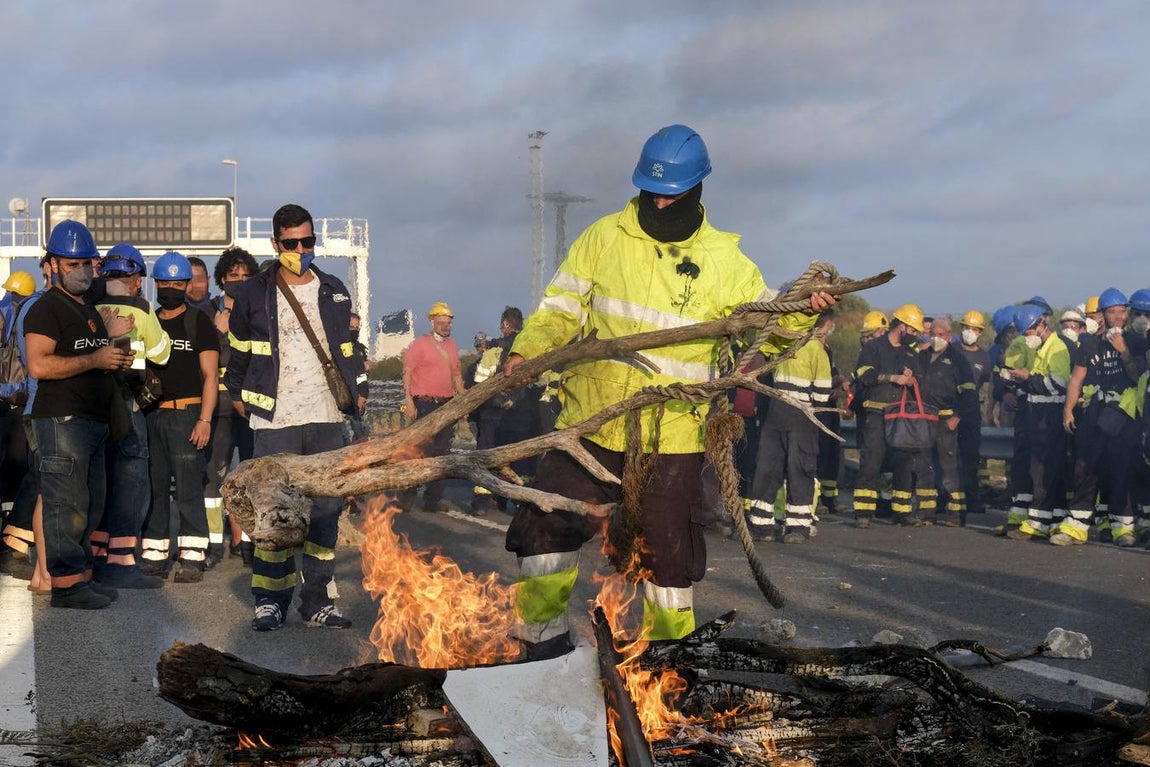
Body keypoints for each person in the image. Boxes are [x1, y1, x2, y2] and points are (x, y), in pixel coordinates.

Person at [502, 125, 835, 655]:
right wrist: (525, 352)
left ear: (698, 189)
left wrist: (801, 313)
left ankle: (670, 665)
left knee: (670, 558)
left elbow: (765, 334)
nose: (658, 202)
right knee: (545, 527)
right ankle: (537, 644)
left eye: (670, 194)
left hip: (674, 437)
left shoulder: (727, 264)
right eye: (650, 191)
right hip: (592, 421)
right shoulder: (602, 238)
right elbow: (559, 313)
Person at [225, 203, 368, 631]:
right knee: (276, 516)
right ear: (275, 243)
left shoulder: (334, 289)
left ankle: (317, 600)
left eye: (308, 241)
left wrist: (357, 392)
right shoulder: (251, 293)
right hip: (275, 421)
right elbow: (238, 359)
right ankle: (270, 600)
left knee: (325, 514)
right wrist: (244, 403)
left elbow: (348, 351)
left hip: (326, 417)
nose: (301, 249)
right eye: (292, 243)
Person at [23, 220, 135, 609]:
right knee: (65, 505)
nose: (81, 269)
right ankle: (66, 586)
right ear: (52, 264)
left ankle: (82, 575)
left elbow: (90, 357)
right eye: (71, 263)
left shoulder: (85, 307)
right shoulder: (45, 309)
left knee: (88, 503)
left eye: (85, 262)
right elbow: (39, 365)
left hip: (91, 420)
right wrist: (95, 357)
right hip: (62, 420)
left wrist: (114, 359)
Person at [92, 243, 171, 589]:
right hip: (127, 399)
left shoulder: (89, 305)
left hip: (93, 400)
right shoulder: (139, 307)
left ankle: (95, 553)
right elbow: (161, 353)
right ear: (136, 279)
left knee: (100, 476)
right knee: (132, 474)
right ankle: (122, 561)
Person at [138, 252, 220, 583]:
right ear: (154, 284)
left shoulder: (199, 322)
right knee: (154, 486)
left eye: (177, 282)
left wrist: (204, 419)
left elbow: (210, 376)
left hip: (187, 414)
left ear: (187, 284)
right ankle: (155, 550)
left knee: (188, 486)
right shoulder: (149, 320)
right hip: (151, 416)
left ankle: (192, 553)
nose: (170, 288)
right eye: (164, 282)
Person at [1060, 288, 1146, 547]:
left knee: (1122, 471)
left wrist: (1124, 351)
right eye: (1112, 312)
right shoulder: (1089, 343)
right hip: (1094, 415)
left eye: (1122, 311)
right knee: (1085, 470)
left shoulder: (1136, 341)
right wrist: (1068, 409)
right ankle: (1076, 527)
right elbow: (1077, 378)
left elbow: (1140, 376)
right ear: (1103, 315)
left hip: (1124, 418)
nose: (1118, 316)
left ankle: (1123, 529)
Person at [745, 311, 834, 543]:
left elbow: (822, 395)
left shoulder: (816, 349)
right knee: (767, 468)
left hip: (801, 419)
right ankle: (761, 524)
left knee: (800, 470)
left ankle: (798, 527)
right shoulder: (780, 340)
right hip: (776, 416)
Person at [203, 246, 259, 568]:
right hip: (219, 408)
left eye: (245, 276)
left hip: (250, 408)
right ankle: (213, 544)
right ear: (221, 279)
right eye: (232, 275)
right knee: (214, 476)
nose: (238, 280)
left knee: (251, 475)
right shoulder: (208, 311)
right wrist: (217, 333)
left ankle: (249, 542)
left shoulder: (257, 312)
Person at [851, 304, 924, 528]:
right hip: (875, 412)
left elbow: (920, 380)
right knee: (871, 462)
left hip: (900, 416)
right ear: (902, 326)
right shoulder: (873, 347)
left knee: (903, 463)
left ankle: (902, 513)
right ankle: (864, 513)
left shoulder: (910, 353)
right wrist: (892, 378)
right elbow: (865, 375)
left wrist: (912, 379)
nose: (915, 335)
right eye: (913, 330)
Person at [1007, 305, 1072, 542]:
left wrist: (1028, 378)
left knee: (1042, 471)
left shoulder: (1057, 348)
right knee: (1045, 470)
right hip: (1039, 415)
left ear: (1040, 325)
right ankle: (1050, 519)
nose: (1027, 337)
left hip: (1050, 416)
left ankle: (1039, 522)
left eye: (1028, 332)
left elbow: (1058, 384)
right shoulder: (1042, 348)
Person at [401, 302, 464, 513]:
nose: (446, 326)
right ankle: (408, 496)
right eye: (442, 323)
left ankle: (433, 500)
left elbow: (457, 375)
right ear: (432, 322)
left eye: (448, 323)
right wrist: (408, 400)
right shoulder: (419, 345)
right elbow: (408, 372)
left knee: (441, 453)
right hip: (424, 404)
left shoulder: (453, 346)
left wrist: (464, 401)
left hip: (446, 404)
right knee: (419, 451)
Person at [919, 317, 973, 525]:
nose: (935, 338)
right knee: (925, 466)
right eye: (932, 334)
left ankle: (956, 513)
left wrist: (956, 417)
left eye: (940, 335)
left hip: (946, 419)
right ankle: (927, 512)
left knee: (949, 467)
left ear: (949, 336)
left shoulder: (957, 360)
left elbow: (968, 392)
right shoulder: (922, 357)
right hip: (924, 420)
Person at [955, 311, 991, 514]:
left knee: (970, 457)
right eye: (966, 328)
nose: (969, 332)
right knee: (949, 456)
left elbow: (986, 385)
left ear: (980, 332)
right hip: (950, 409)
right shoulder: (952, 351)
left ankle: (971, 498)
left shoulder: (983, 357)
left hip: (972, 412)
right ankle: (948, 498)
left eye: (974, 329)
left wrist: (988, 411)